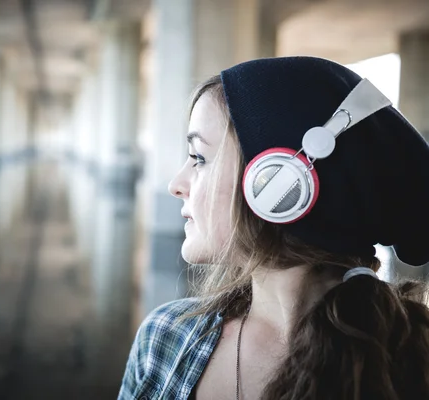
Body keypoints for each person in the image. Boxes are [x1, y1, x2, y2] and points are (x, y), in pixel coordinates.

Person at [118, 56, 429, 400]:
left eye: (200, 159)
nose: (176, 184)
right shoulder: (163, 339)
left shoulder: (414, 368)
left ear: (283, 183)